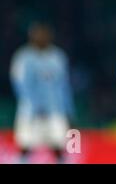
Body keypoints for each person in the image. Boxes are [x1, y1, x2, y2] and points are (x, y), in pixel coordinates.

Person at [10, 22, 75, 164]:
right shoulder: (23, 58)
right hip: (30, 112)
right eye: (37, 34)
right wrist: (35, 105)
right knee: (25, 147)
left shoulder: (58, 57)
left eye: (44, 34)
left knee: (58, 147)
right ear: (31, 36)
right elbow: (19, 86)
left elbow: (64, 87)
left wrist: (69, 111)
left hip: (55, 110)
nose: (41, 37)